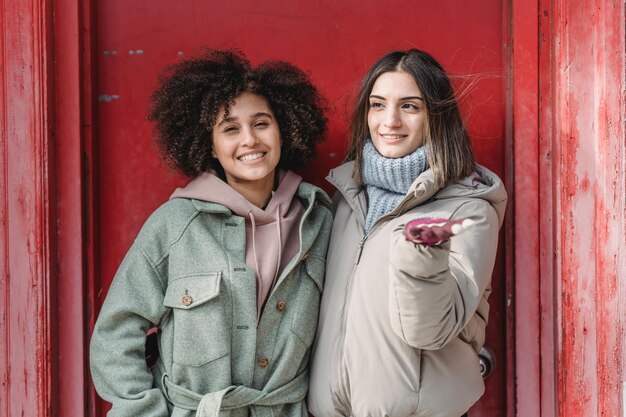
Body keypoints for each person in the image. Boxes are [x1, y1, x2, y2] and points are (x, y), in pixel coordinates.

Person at [89, 49, 333, 417]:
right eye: (231, 128)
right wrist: (143, 411)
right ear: (211, 146)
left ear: (284, 129)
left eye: (261, 123)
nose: (249, 139)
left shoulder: (317, 221)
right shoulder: (175, 224)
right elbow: (115, 333)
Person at [307, 49, 507, 417]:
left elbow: (432, 331)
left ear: (436, 115)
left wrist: (422, 252)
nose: (390, 120)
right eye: (378, 105)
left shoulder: (467, 210)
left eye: (410, 106)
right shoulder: (347, 200)